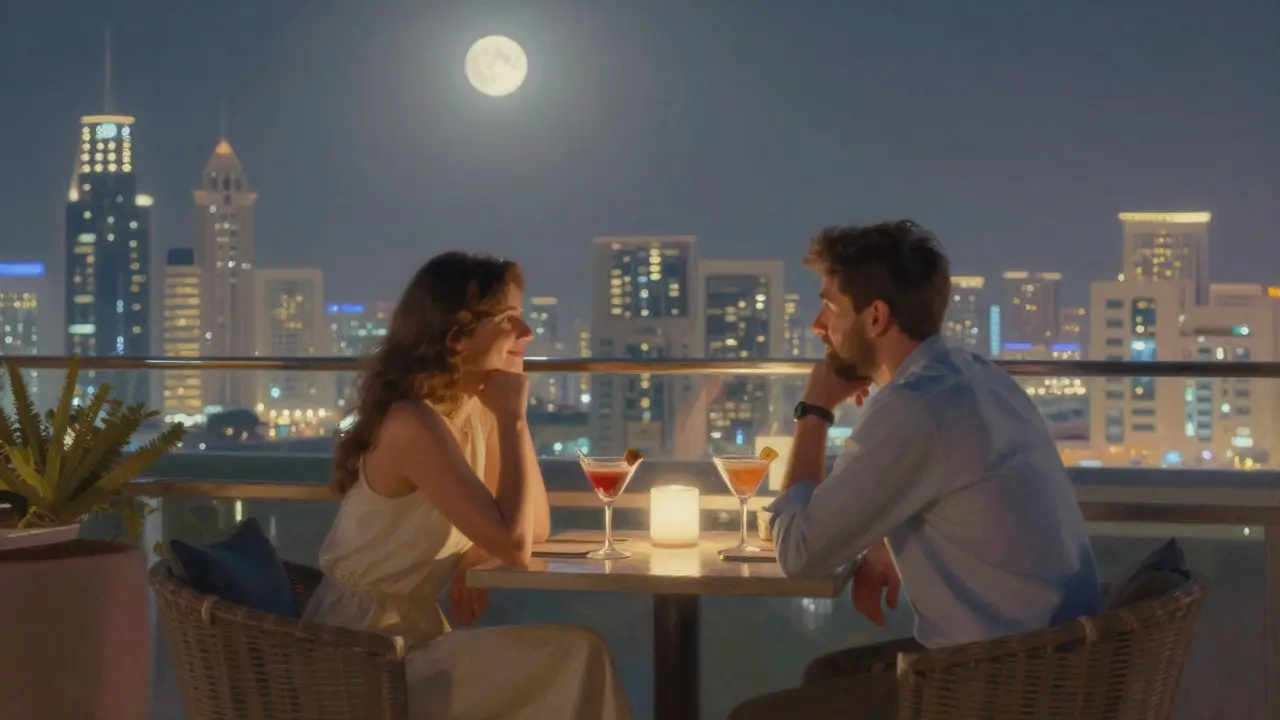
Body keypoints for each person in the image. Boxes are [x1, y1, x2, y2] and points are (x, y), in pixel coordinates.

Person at [731, 221, 1102, 719]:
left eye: (831, 307)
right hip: (1060, 664)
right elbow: (962, 487)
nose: (819, 325)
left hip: (995, 686)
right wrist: (883, 543)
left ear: (876, 317)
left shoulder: (914, 410)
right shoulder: (974, 376)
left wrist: (815, 410)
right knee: (829, 676)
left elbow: (801, 554)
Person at [303, 251, 633, 720]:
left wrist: (475, 552)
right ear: (456, 337)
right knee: (576, 654)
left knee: (573, 657)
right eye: (508, 320)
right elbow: (517, 546)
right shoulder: (413, 422)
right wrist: (514, 420)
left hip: (413, 639)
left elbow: (533, 528)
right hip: (361, 654)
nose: (527, 334)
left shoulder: (473, 408)